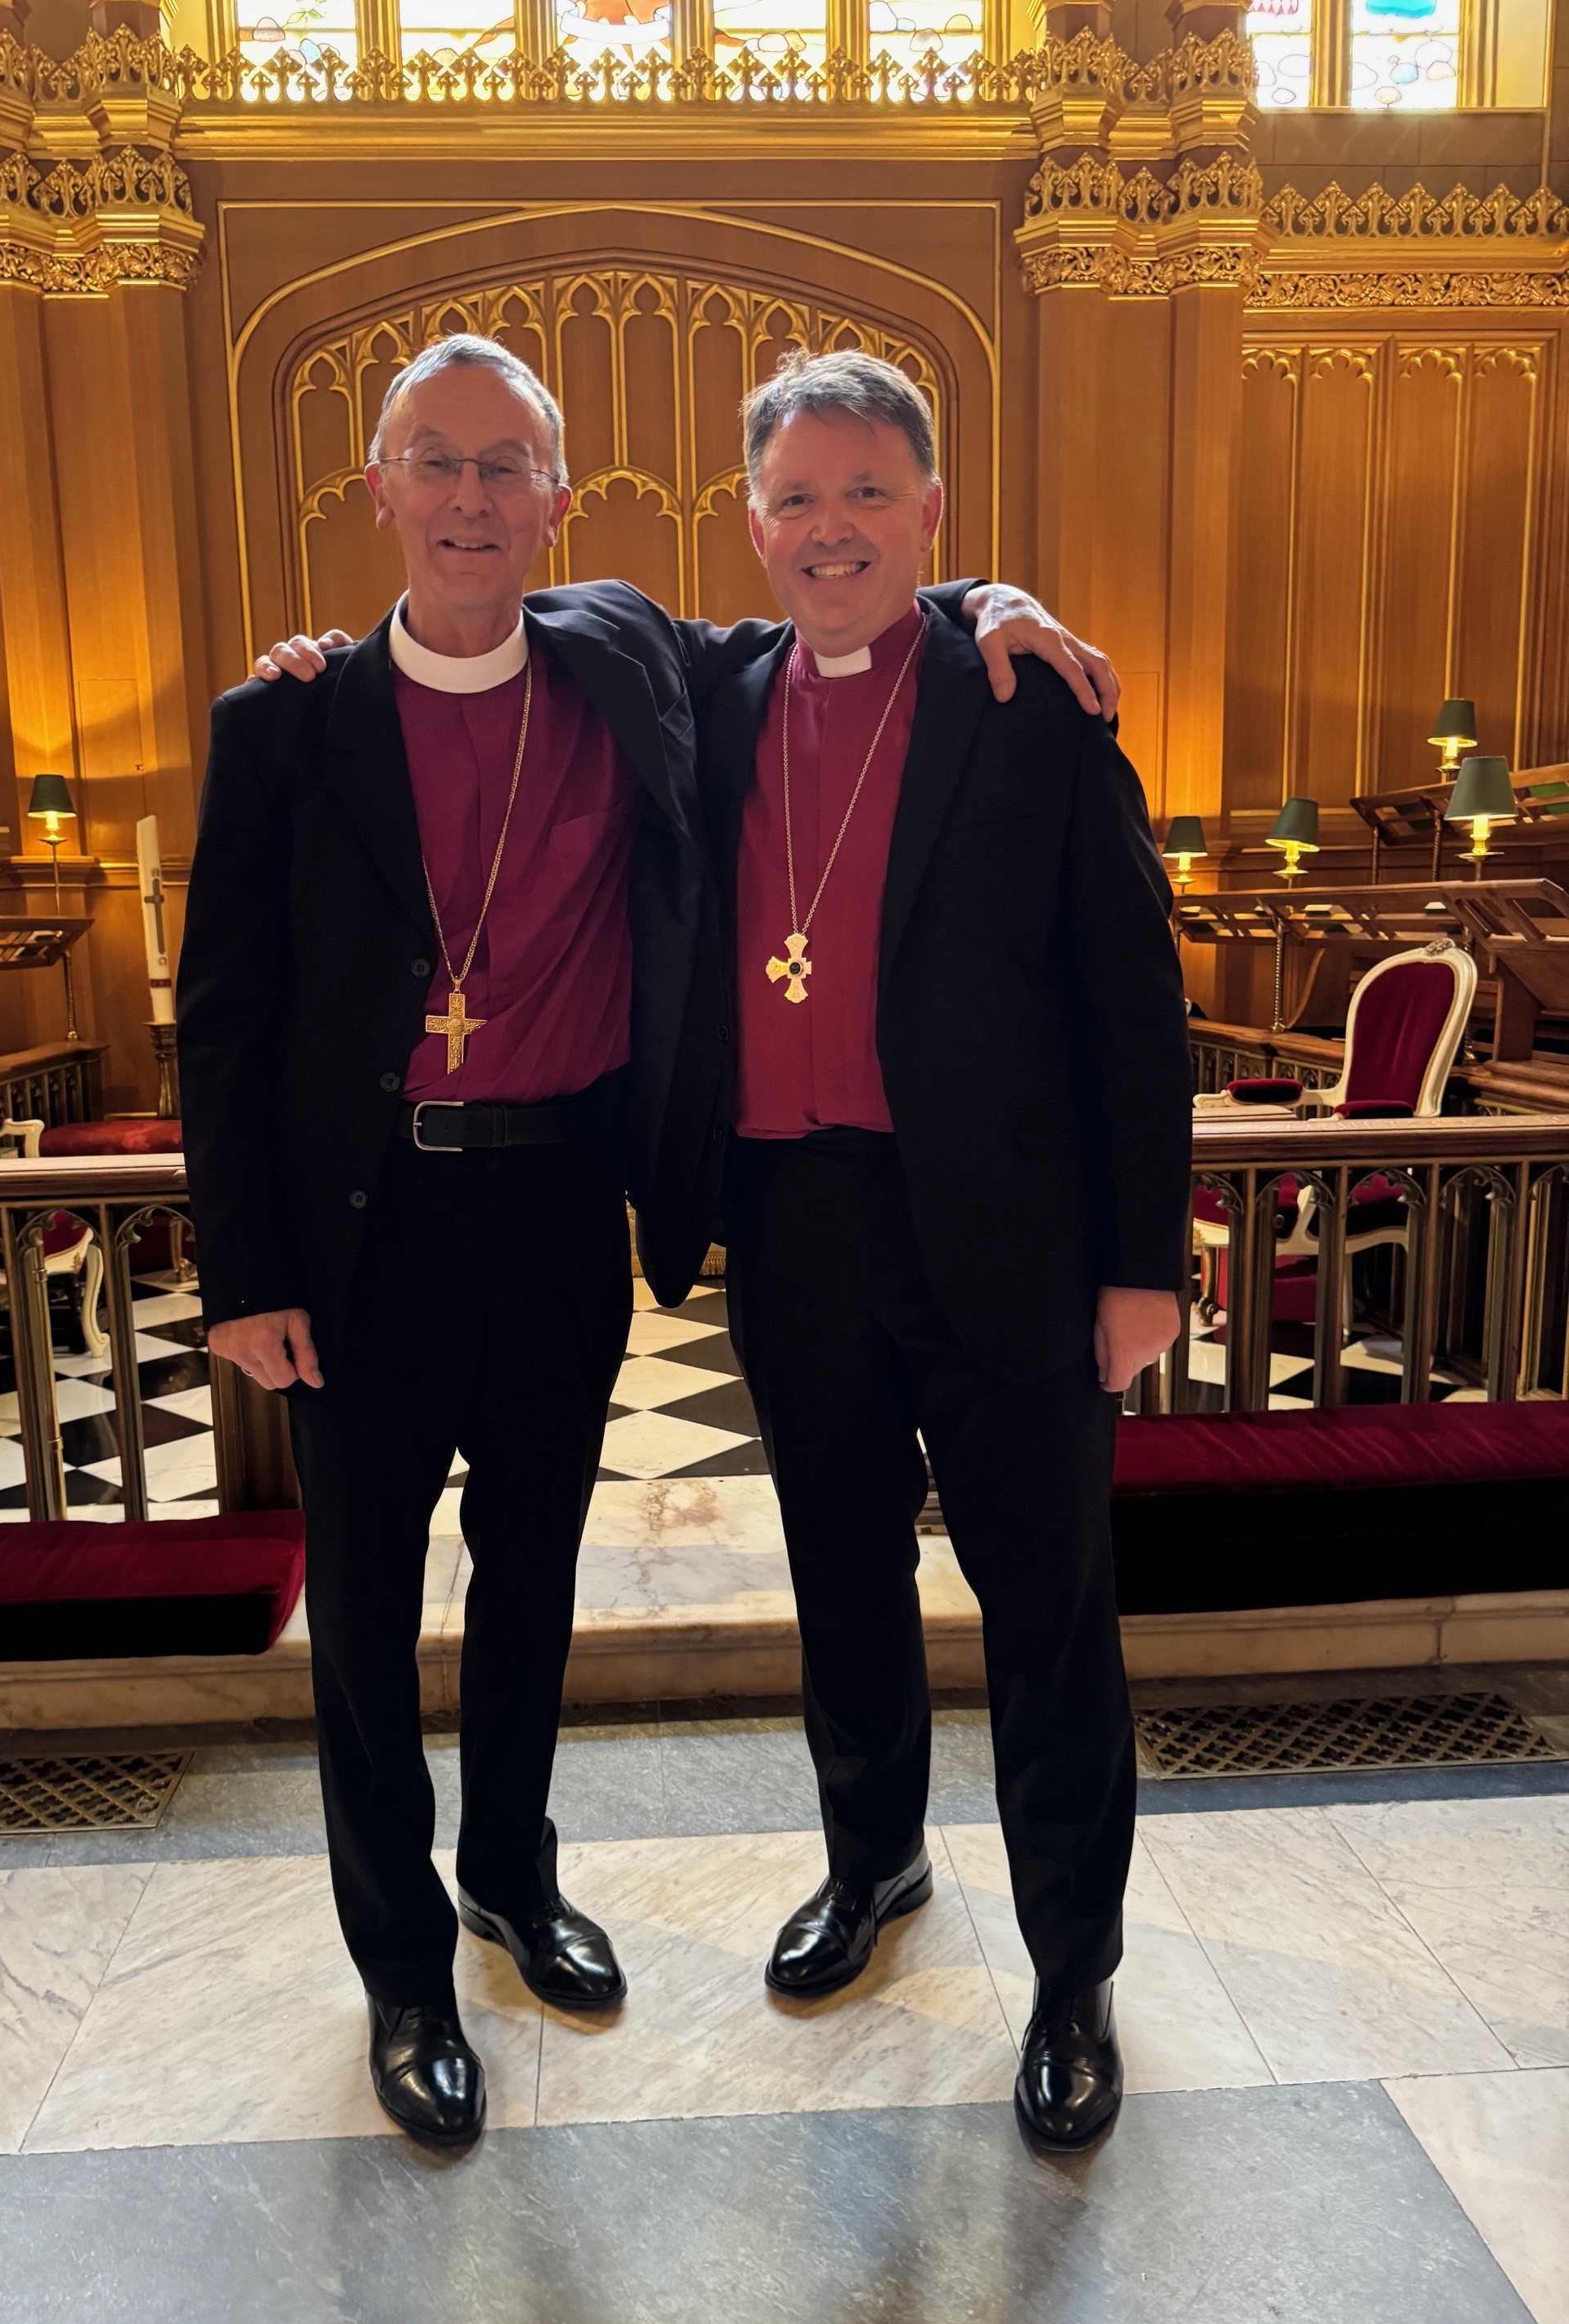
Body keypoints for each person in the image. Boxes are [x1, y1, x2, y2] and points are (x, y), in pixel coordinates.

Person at [181, 333, 1115, 2151]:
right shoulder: (285, 721)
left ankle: (515, 1886)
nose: (467, 498)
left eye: (502, 467)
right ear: (373, 487)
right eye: (432, 464)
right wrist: (247, 1272)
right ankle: (401, 1977)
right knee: (368, 1621)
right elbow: (222, 1016)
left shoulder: (630, 663)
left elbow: (876, 597)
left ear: (558, 498)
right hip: (367, 1225)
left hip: (554, 1204)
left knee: (532, 1581)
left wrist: (1002, 590)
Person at [698, 348, 1191, 2154]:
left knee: (1047, 1609)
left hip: (1006, 1229)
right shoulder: (711, 689)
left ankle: (1072, 1971)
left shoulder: (1024, 701)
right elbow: (520, 623)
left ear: (930, 509)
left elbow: (1136, 1003)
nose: (830, 530)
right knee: (844, 1581)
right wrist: (321, 662)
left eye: (866, 495)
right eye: (796, 499)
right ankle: (876, 1863)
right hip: (790, 1218)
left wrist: (1145, 1262)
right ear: (751, 525)